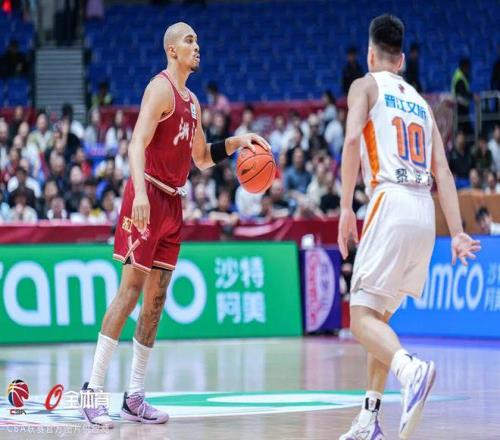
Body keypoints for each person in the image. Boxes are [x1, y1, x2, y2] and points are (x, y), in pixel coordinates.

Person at [80, 22, 270, 428]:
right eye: (189, 40)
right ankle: (92, 389)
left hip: (173, 201)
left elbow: (200, 158)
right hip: (147, 193)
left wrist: (238, 142)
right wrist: (141, 194)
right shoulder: (160, 88)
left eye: (197, 40)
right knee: (129, 292)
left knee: (156, 301)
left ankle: (134, 396)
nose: (196, 46)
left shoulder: (193, 102)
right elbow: (136, 143)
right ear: (171, 49)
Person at [337, 15, 480, 440]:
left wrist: (345, 207)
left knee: (360, 318)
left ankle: (410, 369)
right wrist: (457, 231)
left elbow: (350, 141)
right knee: (379, 317)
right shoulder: (421, 101)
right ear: (400, 60)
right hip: (424, 212)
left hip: (390, 201)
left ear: (370, 55)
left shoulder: (364, 86)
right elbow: (444, 173)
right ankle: (369, 418)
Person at [451, 57, 473, 136]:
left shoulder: (460, 76)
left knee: (466, 131)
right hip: (459, 109)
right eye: (468, 68)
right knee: (463, 132)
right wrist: (473, 96)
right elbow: (462, 93)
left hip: (462, 109)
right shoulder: (459, 78)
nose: (469, 70)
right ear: (464, 67)